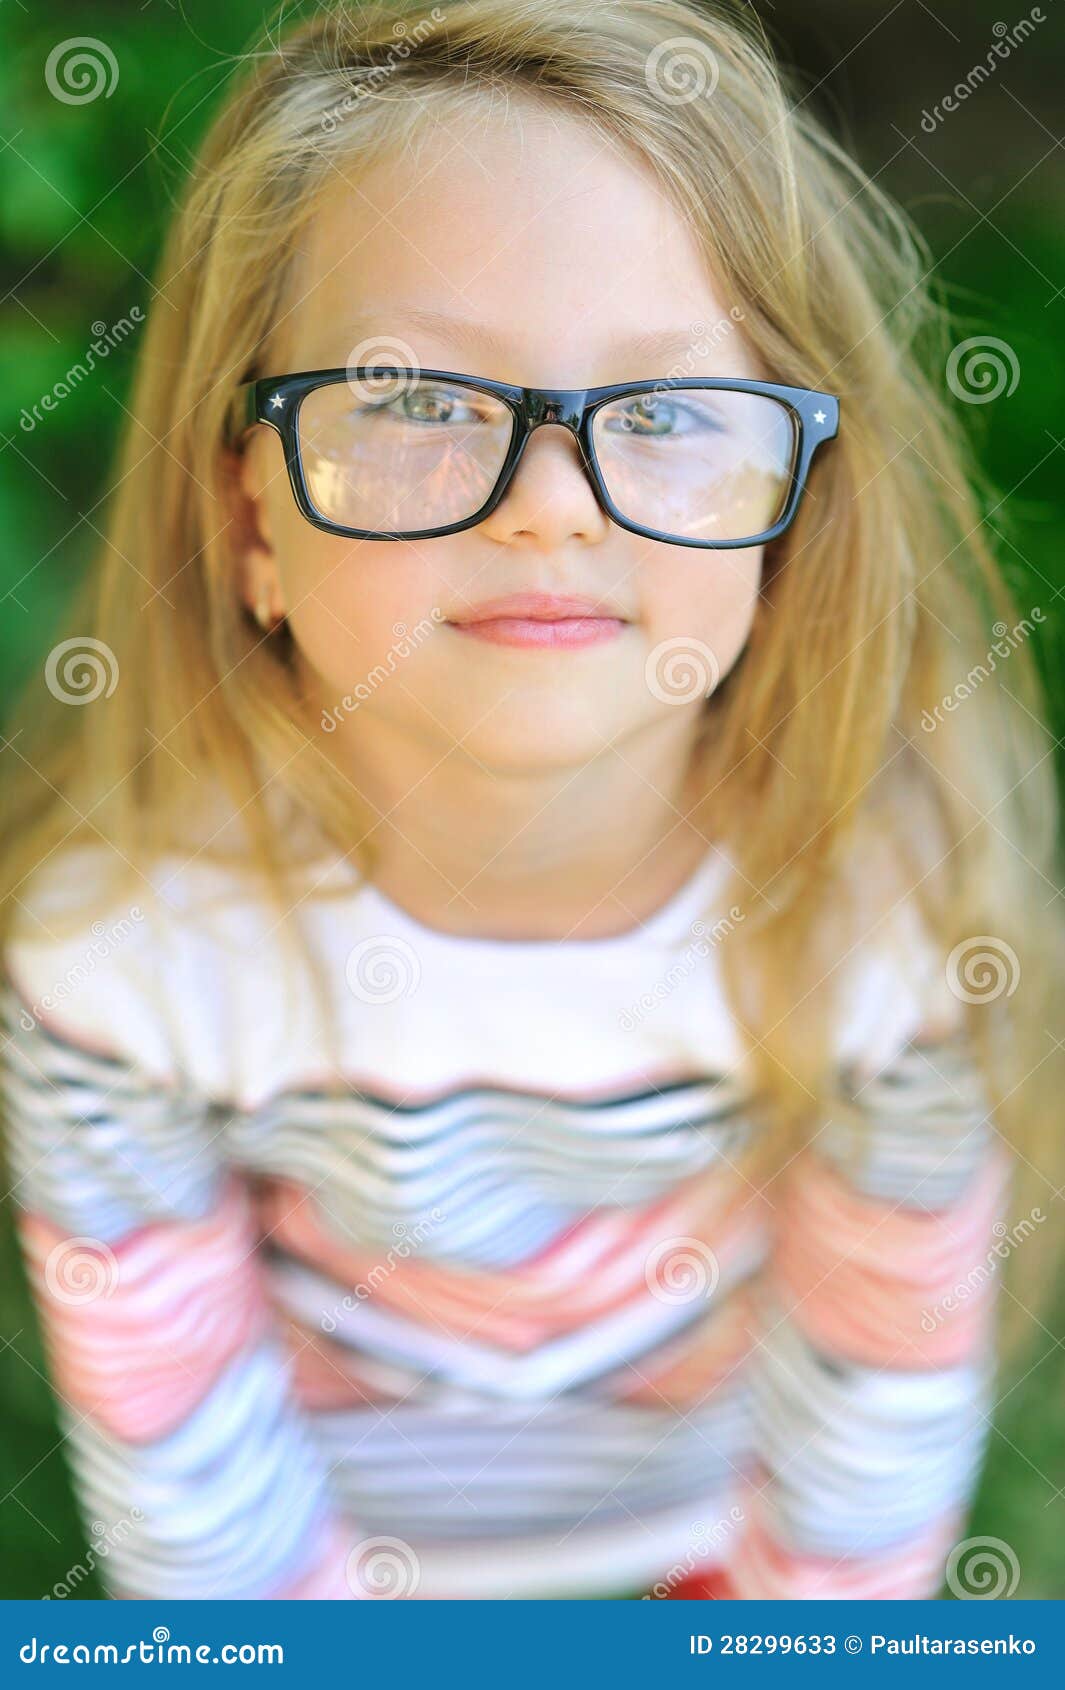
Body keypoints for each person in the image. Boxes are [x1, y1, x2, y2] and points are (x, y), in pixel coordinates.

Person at [1, 0, 1060, 1601]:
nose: (552, 505)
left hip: (708, 1541)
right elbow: (194, 1481)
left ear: (786, 515)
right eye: (418, 399)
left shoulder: (884, 917)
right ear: (254, 524)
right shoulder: (121, 963)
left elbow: (870, 1429)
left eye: (665, 411)